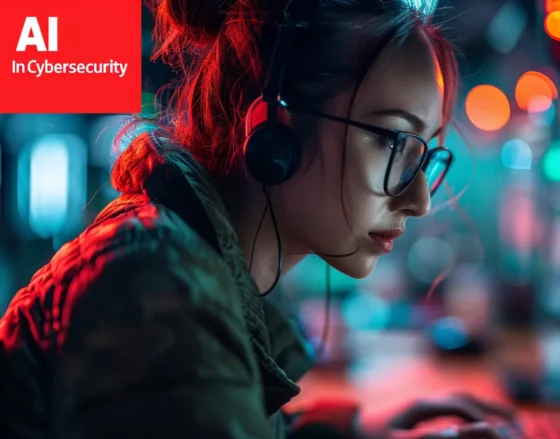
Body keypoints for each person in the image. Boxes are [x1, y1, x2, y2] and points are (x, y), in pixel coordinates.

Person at [0, 0, 513, 437]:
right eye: (392, 141)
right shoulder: (158, 287)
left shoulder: (192, 268)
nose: (420, 199)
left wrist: (360, 431)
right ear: (274, 135)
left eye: (423, 156)